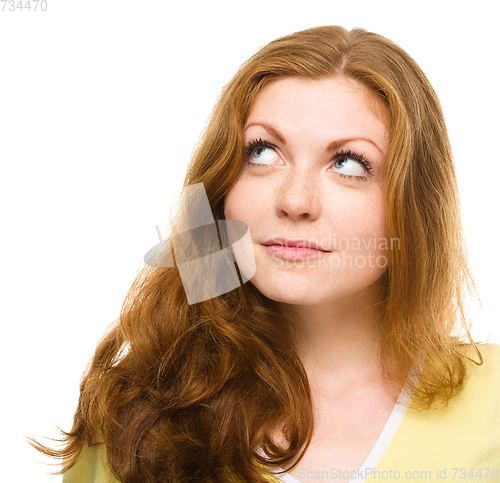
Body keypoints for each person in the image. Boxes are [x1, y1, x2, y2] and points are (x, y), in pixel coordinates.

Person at [31, 25, 500, 483]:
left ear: (414, 204)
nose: (295, 202)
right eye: (262, 153)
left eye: (349, 163)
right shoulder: (136, 409)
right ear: (220, 188)